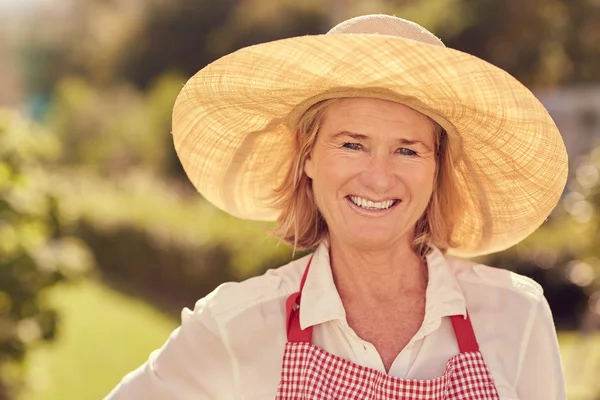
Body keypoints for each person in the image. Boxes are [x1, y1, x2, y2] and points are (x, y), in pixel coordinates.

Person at [105, 14, 568, 399]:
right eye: (352, 144)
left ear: (437, 169)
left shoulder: (516, 314)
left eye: (407, 150)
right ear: (307, 156)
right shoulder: (234, 325)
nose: (379, 176)